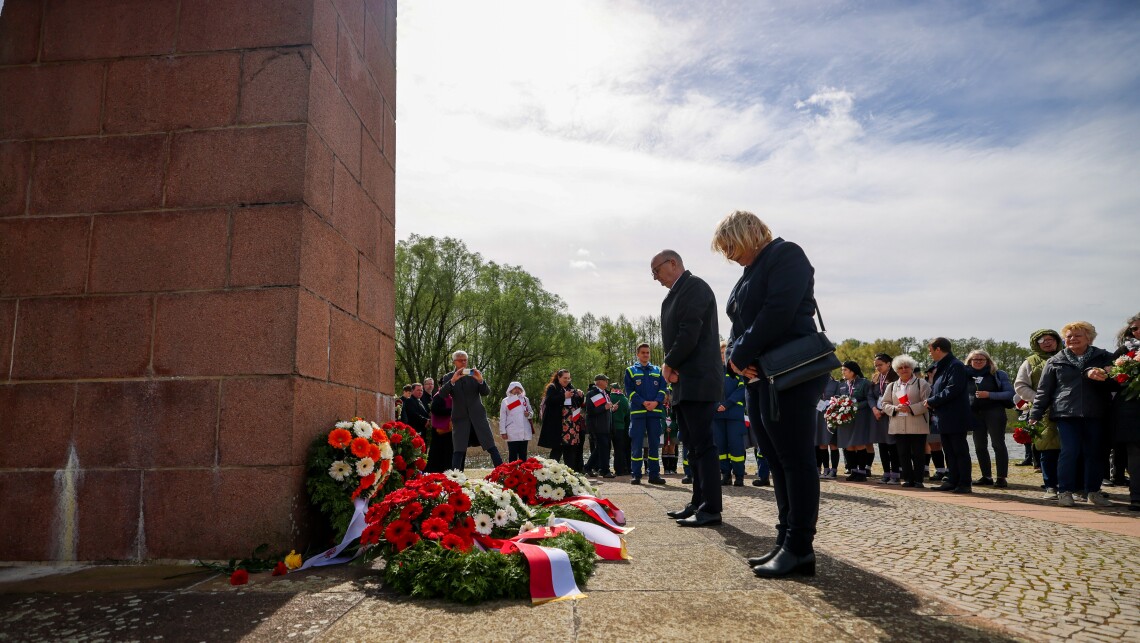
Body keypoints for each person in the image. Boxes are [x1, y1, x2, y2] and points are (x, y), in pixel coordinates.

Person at [715, 210, 829, 578]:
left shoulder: (786, 255)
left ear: (749, 234)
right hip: (759, 376)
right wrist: (735, 356)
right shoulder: (749, 272)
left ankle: (800, 547)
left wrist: (740, 354)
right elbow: (740, 324)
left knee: (795, 460)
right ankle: (784, 539)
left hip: (790, 374)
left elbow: (777, 313)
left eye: (731, 245)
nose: (729, 254)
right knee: (777, 460)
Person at [653, 249, 723, 526]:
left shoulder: (695, 288)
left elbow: (689, 331)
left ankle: (711, 507)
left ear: (672, 263)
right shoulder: (673, 295)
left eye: (656, 271)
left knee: (704, 445)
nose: (655, 278)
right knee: (692, 446)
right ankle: (697, 501)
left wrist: (668, 363)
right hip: (682, 382)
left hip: (698, 379)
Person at [1030, 321, 1117, 507]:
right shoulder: (1055, 360)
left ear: (1089, 338)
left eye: (1077, 335)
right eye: (1068, 336)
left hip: (1096, 412)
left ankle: (1093, 491)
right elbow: (1044, 390)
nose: (1072, 339)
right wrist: (1035, 413)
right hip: (1065, 413)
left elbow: (1117, 383)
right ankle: (1065, 492)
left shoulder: (1104, 357)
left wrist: (1106, 375)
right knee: (1069, 452)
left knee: (1095, 453)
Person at [1014, 329, 1064, 499]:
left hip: (1068, 409)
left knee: (1070, 449)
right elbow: (1020, 386)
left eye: (1051, 339)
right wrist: (1040, 400)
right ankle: (1050, 486)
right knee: (1047, 448)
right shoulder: (1030, 362)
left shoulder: (1068, 356)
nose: (1047, 343)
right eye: (1043, 340)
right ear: (1036, 344)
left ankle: (1073, 486)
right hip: (1043, 411)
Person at [438, 350, 503, 471]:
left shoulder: (474, 374)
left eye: (465, 360)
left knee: (491, 446)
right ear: (454, 362)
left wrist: (480, 380)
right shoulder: (448, 377)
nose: (463, 362)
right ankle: (456, 478)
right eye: (460, 360)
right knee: (458, 450)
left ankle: (502, 472)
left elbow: (486, 392)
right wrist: (453, 381)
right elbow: (442, 394)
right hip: (460, 419)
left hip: (478, 417)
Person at [924, 338, 973, 494]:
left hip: (955, 415)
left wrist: (932, 400)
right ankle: (952, 480)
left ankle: (964, 483)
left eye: (930, 350)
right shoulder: (943, 366)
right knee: (949, 451)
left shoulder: (956, 365)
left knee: (959, 450)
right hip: (943, 415)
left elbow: (953, 388)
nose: (930, 354)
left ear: (938, 349)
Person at [963, 349, 1015, 488]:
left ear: (988, 361)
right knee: (979, 446)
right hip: (975, 414)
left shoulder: (997, 374)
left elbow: (1010, 393)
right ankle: (986, 476)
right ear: (970, 362)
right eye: (975, 359)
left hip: (994, 412)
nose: (978, 362)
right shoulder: (963, 375)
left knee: (997, 444)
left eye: (982, 359)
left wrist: (989, 395)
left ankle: (1001, 477)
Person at [879, 355, 932, 487]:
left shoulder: (922, 383)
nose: (904, 370)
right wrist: (895, 408)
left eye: (906, 367)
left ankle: (919, 480)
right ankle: (908, 479)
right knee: (903, 453)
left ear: (912, 368)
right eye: (900, 368)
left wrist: (910, 408)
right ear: (896, 371)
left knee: (918, 453)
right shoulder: (892, 386)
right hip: (898, 424)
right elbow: (885, 404)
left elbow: (927, 403)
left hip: (917, 423)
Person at [624, 344, 668, 485]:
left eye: (647, 353)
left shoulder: (657, 370)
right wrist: (643, 402)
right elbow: (629, 391)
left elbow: (663, 389)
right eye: (643, 352)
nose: (645, 355)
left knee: (654, 444)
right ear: (637, 354)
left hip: (654, 413)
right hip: (638, 412)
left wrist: (655, 402)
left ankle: (654, 475)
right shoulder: (630, 371)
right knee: (637, 444)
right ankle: (636, 475)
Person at [1110, 314, 1140, 511]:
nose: (1136, 332)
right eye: (1134, 329)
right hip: (1132, 409)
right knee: (1136, 452)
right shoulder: (1124, 352)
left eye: (1138, 327)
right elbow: (1112, 379)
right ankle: (1137, 496)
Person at [713, 340, 749, 486]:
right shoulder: (713, 371)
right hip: (717, 416)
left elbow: (742, 389)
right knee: (721, 447)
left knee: (736, 446)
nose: (722, 356)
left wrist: (726, 404)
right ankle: (725, 474)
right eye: (720, 353)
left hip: (734, 415)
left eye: (724, 353)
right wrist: (716, 405)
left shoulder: (737, 369)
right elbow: (708, 389)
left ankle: (739, 476)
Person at [538, 370, 585, 471]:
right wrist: (564, 396)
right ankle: (550, 473)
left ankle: (570, 474)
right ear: (559, 377)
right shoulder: (552, 387)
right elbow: (549, 401)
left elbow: (577, 403)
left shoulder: (571, 387)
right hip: (559, 425)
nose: (567, 380)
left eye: (569, 378)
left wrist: (581, 396)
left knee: (570, 451)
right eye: (565, 378)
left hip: (571, 426)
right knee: (557, 450)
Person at [837, 361, 874, 482]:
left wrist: (855, 405)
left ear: (852, 372)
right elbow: (838, 399)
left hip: (860, 417)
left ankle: (862, 472)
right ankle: (853, 471)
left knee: (859, 443)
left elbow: (869, 399)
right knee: (849, 445)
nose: (843, 372)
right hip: (846, 419)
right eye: (842, 370)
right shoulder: (841, 385)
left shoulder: (864, 383)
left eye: (845, 370)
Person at [870, 354, 900, 484]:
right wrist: (874, 409)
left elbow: (899, 395)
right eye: (876, 365)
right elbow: (870, 395)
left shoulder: (896, 377)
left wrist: (885, 409)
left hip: (891, 415)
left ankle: (896, 474)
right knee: (882, 444)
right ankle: (886, 472)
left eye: (880, 365)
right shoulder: (876, 377)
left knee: (892, 445)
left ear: (889, 364)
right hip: (879, 417)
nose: (878, 367)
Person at [584, 375, 617, 478]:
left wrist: (611, 408)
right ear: (598, 382)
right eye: (605, 380)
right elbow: (590, 411)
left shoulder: (605, 393)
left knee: (600, 448)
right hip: (598, 426)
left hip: (606, 426)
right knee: (603, 448)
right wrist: (605, 407)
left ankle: (588, 467)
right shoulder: (592, 393)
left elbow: (605, 409)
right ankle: (604, 470)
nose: (607, 382)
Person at [499, 381, 534, 463]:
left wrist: (528, 414)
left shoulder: (525, 399)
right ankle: (512, 473)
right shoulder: (505, 401)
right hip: (512, 432)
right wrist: (503, 431)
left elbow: (531, 413)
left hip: (524, 431)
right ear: (510, 389)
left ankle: (523, 473)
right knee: (512, 455)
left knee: (523, 455)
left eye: (518, 388)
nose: (517, 390)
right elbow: (503, 417)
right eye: (515, 388)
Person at [815, 377, 841, 480]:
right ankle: (825, 468)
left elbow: (839, 396)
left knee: (832, 443)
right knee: (822, 443)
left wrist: (831, 402)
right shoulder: (816, 381)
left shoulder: (836, 383)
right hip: (819, 414)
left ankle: (833, 469)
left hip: (831, 413)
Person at [426, 392, 454, 473]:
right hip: (439, 430)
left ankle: (448, 472)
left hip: (448, 430)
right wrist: (453, 410)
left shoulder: (451, 396)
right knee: (437, 453)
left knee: (448, 453)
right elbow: (435, 409)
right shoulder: (438, 396)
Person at [609, 384, 631, 476]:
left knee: (605, 449)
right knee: (619, 450)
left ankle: (603, 468)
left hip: (608, 426)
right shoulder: (625, 400)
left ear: (612, 389)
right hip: (621, 427)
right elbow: (628, 417)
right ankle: (620, 470)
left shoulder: (608, 397)